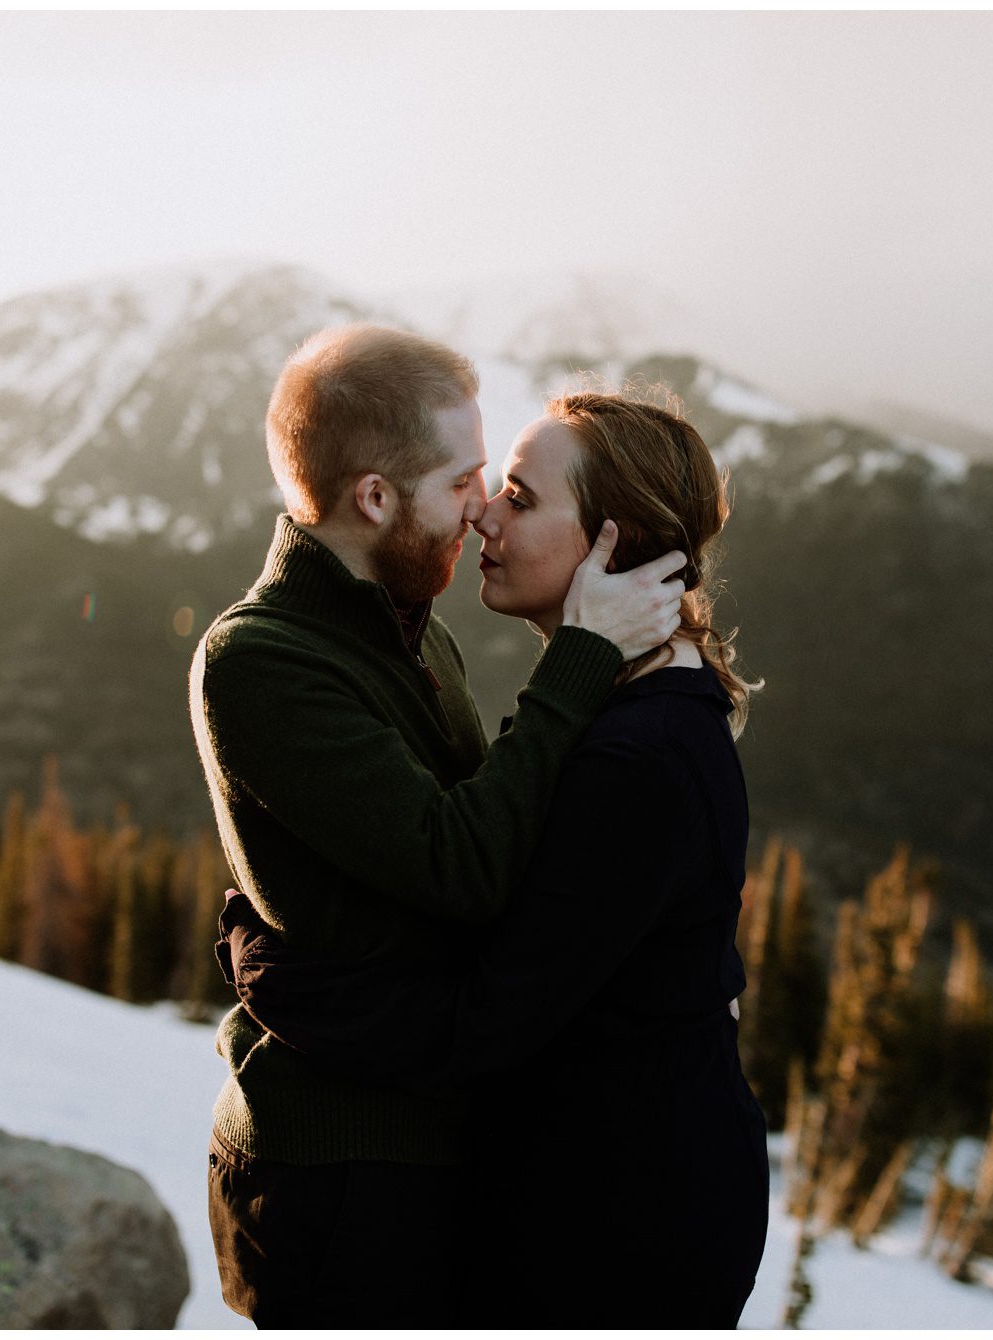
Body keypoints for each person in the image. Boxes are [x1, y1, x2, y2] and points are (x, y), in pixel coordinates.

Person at [220, 387, 770, 1327]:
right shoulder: (623, 707)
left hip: (622, 1226)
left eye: (521, 496)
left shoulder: (638, 756)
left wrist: (274, 971)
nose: (485, 514)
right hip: (595, 1188)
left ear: (612, 545)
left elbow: (485, 1019)